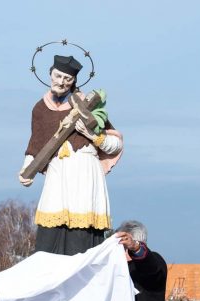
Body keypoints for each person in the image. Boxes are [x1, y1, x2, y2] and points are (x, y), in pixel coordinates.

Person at [18, 54, 123, 255]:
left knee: (81, 235)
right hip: (57, 172)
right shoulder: (40, 109)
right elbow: (35, 144)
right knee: (49, 234)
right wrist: (26, 168)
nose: (61, 82)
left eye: (68, 79)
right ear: (50, 74)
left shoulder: (88, 105)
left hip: (84, 171)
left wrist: (92, 135)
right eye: (58, 76)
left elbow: (115, 144)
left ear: (74, 81)